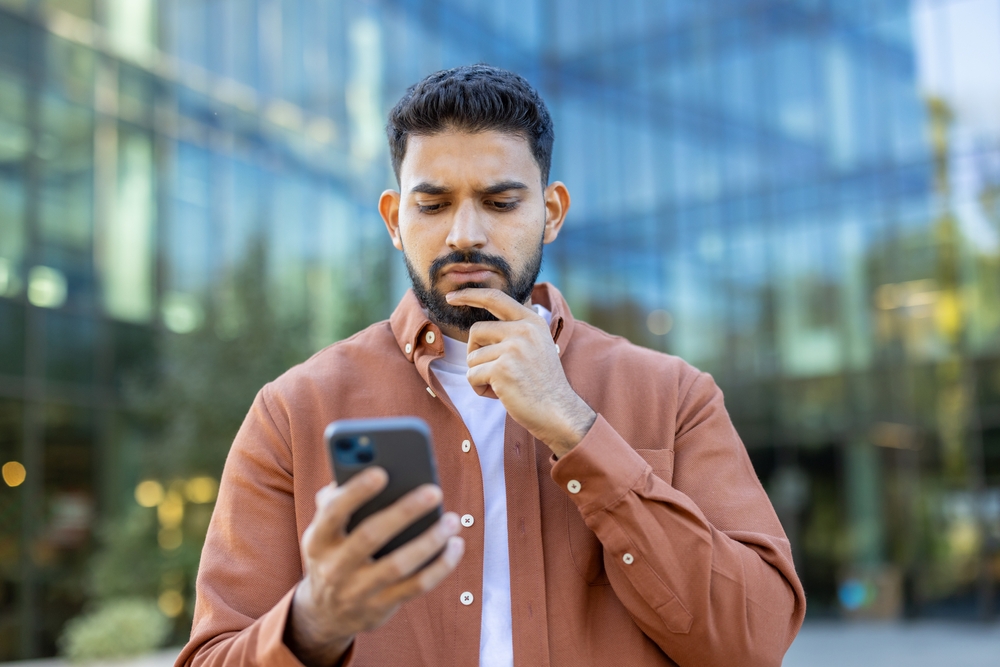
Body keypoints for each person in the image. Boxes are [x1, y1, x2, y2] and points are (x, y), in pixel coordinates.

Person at [176, 64, 805, 667]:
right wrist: (315, 619)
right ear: (396, 220)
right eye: (434, 205)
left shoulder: (674, 396)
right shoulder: (293, 411)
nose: (465, 234)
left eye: (500, 203)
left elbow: (754, 644)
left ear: (551, 213)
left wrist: (576, 429)